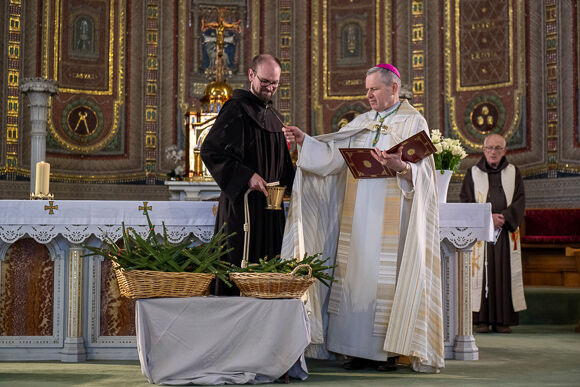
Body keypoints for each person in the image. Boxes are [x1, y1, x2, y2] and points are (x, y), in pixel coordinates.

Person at [281, 64, 444, 373]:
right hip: (356, 217)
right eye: (367, 89)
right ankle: (352, 350)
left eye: (375, 88)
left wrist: (401, 167)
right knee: (355, 277)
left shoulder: (413, 121)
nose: (368, 94)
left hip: (393, 219)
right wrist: (306, 142)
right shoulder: (361, 122)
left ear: (394, 88)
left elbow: (424, 173)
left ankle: (388, 354)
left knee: (386, 281)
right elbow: (332, 158)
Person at [201, 54, 295, 295]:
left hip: (271, 210)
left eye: (275, 83)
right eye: (265, 82)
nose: (270, 88)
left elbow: (284, 165)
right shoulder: (236, 108)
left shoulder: (274, 116)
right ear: (251, 75)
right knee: (238, 269)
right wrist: (246, 176)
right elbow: (211, 150)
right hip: (243, 207)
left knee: (268, 272)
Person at [459, 134, 526, 333]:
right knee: (482, 274)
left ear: (505, 151)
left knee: (504, 273)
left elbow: (520, 200)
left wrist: (504, 217)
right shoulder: (473, 173)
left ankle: (503, 320)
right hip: (482, 233)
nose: (493, 152)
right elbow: (466, 201)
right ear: (483, 150)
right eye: (490, 148)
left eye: (498, 148)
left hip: (505, 233)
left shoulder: (514, 172)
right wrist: (488, 217)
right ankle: (481, 320)